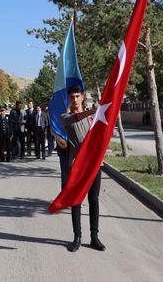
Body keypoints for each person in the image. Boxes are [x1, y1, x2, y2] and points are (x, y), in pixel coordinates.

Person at [61, 86, 105, 252]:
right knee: (76, 201)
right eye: (71, 97)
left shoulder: (94, 117)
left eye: (77, 96)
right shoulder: (65, 117)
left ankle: (94, 237)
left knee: (94, 200)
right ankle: (77, 237)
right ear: (69, 99)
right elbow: (76, 119)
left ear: (82, 98)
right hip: (77, 165)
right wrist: (94, 111)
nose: (74, 99)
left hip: (94, 164)